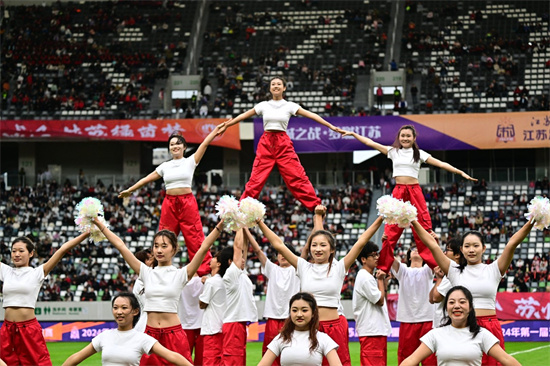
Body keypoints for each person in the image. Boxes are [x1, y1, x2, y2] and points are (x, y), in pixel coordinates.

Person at [343, 125, 477, 273]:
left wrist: (460, 172)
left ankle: (436, 265)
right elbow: (370, 143)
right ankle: (383, 267)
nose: (405, 138)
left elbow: (441, 163)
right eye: (403, 136)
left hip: (415, 192)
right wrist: (353, 134)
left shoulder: (419, 154)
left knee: (424, 229)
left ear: (414, 138)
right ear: (399, 138)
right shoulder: (393, 152)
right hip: (399, 192)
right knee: (390, 232)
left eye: (408, 136)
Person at [257, 212, 384, 366]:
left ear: (332, 249)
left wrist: (380, 218)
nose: (318, 249)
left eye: (323, 245)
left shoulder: (339, 267)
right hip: (308, 327)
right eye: (314, 245)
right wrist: (259, 222)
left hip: (334, 326)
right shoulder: (303, 266)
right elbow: (279, 245)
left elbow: (362, 241)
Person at [92, 218, 224, 365]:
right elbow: (121, 246)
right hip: (150, 336)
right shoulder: (145, 272)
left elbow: (204, 247)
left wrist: (221, 225)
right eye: (156, 246)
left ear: (174, 249)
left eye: (164, 246)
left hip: (174, 335)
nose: (159, 250)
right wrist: (100, 225)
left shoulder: (181, 274)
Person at [410, 219, 534, 365]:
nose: (471, 250)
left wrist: (531, 221)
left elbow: (512, 243)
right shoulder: (453, 271)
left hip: (490, 327)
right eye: (467, 246)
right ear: (461, 249)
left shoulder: (494, 269)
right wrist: (413, 220)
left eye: (476, 246)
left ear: (484, 248)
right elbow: (432, 246)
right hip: (462, 326)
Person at [216, 76, 345, 211]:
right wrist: (227, 125)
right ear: (270, 88)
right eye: (273, 84)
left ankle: (315, 205)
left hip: (283, 143)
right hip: (266, 142)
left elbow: (312, 115)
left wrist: (331, 126)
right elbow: (242, 116)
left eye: (279, 84)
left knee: (296, 176)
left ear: (284, 88)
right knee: (256, 178)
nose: (276, 86)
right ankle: (241, 208)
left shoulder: (290, 106)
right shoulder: (263, 105)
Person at [118, 124, 224, 276]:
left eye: (178, 144)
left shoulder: (190, 161)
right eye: (172, 144)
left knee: (195, 237)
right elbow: (146, 179)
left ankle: (203, 272)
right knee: (164, 237)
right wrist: (130, 190)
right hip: (169, 203)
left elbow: (204, 144)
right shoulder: (165, 166)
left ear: (184, 147)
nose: (175, 146)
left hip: (187, 202)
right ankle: (160, 269)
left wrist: (214, 132)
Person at [0, 233, 89, 366]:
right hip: (7, 329)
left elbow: (63, 249)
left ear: (31, 253)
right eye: (13, 251)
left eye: (21, 251)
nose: (16, 254)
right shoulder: (5, 271)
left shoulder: (37, 272)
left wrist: (86, 233)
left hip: (29, 330)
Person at [400, 286, 521, 366]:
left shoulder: (482, 334)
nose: (456, 306)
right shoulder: (435, 334)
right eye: (451, 302)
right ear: (446, 307)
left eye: (462, 302)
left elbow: (506, 360)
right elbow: (411, 360)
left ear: (470, 307)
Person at [62, 292, 192, 366]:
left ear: (135, 311)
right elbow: (76, 357)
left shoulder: (142, 339)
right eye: (115, 307)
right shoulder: (104, 336)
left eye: (124, 308)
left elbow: (173, 356)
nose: (119, 312)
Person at [246, 228, 301, 366]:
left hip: (291, 319)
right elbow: (258, 251)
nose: (282, 256)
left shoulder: (298, 269)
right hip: (272, 319)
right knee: (270, 355)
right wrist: (246, 230)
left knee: (292, 354)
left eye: (285, 253)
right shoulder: (272, 269)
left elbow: (306, 249)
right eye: (279, 253)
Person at [258, 292, 342, 366]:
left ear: (313, 313)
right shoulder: (282, 338)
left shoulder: (323, 339)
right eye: (294, 310)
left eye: (304, 310)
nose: (299, 314)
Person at [391, 245, 437, 365]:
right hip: (407, 320)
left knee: (430, 359)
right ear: (409, 257)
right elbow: (389, 257)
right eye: (412, 249)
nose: (416, 250)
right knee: (406, 358)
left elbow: (436, 254)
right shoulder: (403, 271)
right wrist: (388, 242)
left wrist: (433, 241)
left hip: (428, 319)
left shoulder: (428, 270)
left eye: (419, 248)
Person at [220, 229, 258, 366]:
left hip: (239, 323)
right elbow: (238, 247)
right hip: (233, 324)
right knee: (233, 361)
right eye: (239, 257)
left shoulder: (241, 273)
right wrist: (239, 223)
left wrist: (246, 226)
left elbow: (244, 247)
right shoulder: (231, 274)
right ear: (231, 261)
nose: (243, 259)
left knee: (240, 360)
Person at [352, 242, 392, 366]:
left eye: (377, 254)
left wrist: (383, 283)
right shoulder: (365, 277)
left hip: (374, 330)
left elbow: (381, 298)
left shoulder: (367, 276)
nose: (377, 258)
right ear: (363, 259)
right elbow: (379, 301)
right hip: (371, 332)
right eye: (373, 255)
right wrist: (380, 280)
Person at [199, 251, 227, 366]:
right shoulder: (225, 281)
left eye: (215, 257)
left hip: (212, 328)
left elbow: (202, 304)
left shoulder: (211, 282)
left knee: (210, 361)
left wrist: (205, 285)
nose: (211, 259)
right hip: (222, 327)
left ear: (219, 264)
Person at [430, 237, 463, 328]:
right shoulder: (449, 273)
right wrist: (439, 278)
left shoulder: (454, 272)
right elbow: (431, 299)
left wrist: (439, 279)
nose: (444, 253)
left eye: (447, 250)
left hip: (445, 324)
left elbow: (436, 298)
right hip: (442, 323)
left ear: (457, 255)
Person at [178, 273, 204, 366]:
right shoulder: (207, 280)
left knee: (183, 359)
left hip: (184, 323)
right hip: (201, 323)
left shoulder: (179, 280)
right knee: (201, 359)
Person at [133, 249, 154, 333]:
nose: (153, 260)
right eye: (149, 259)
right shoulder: (140, 283)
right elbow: (150, 305)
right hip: (145, 326)